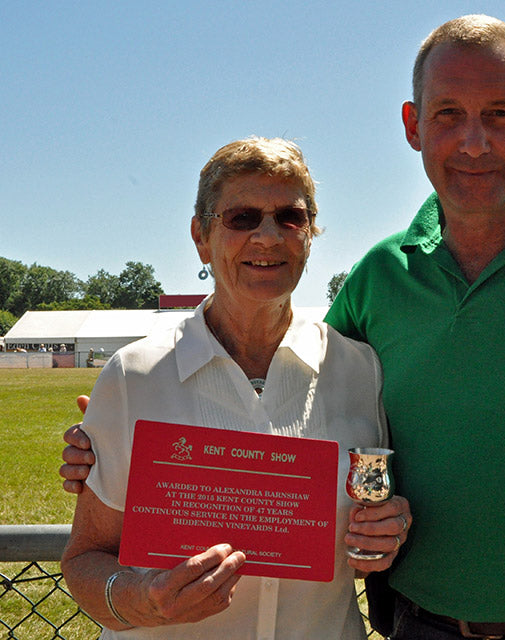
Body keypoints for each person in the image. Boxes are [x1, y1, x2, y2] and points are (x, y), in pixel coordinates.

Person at [63, 15, 505, 639]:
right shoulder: (378, 279)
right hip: (424, 628)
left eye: (499, 114)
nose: (473, 141)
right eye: (448, 113)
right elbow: (293, 408)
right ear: (412, 125)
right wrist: (118, 445)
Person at [60, 136, 411, 640]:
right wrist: (143, 600)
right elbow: (84, 559)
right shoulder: (135, 374)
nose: (268, 237)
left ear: (310, 233)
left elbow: (355, 540)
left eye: (289, 217)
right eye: (242, 218)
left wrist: (380, 536)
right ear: (201, 237)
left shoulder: (360, 370)